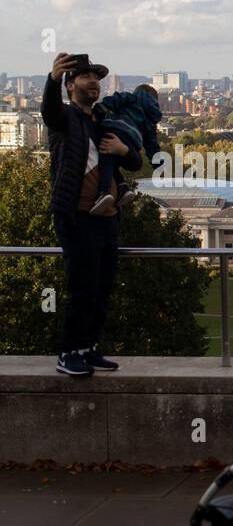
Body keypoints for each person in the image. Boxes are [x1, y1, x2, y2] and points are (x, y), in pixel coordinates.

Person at [41, 53, 142, 377]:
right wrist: (52, 79)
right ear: (71, 85)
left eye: (97, 78)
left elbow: (134, 160)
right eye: (86, 77)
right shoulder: (66, 120)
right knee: (82, 288)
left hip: (107, 216)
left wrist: (125, 151)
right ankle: (69, 353)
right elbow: (49, 111)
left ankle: (88, 349)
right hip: (77, 215)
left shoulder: (101, 120)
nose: (94, 83)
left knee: (101, 289)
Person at [86, 84, 162, 215]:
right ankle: (122, 187)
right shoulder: (151, 117)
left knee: (106, 161)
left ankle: (104, 192)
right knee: (113, 164)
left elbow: (114, 100)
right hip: (133, 141)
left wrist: (99, 111)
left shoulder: (131, 97)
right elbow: (152, 144)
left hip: (116, 130)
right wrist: (159, 164)